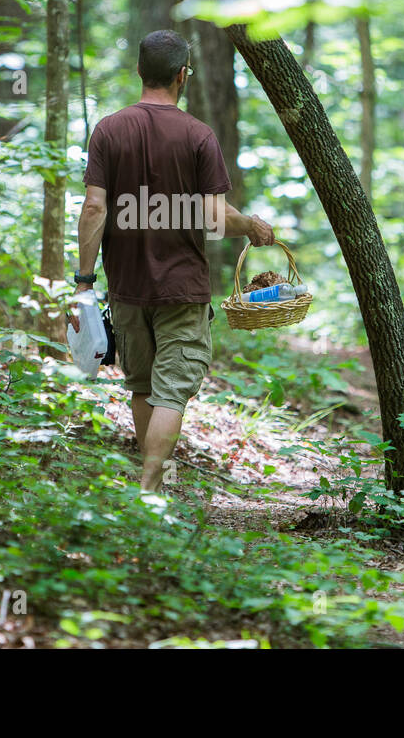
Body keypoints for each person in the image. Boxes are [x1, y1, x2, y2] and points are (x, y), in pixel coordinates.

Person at [73, 29, 273, 494]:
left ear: (140, 71)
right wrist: (253, 226)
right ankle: (150, 486)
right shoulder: (198, 135)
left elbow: (94, 208)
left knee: (141, 386)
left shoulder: (108, 129)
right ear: (183, 75)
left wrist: (85, 280)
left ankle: (152, 491)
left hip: (126, 285)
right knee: (170, 393)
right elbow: (214, 218)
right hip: (181, 289)